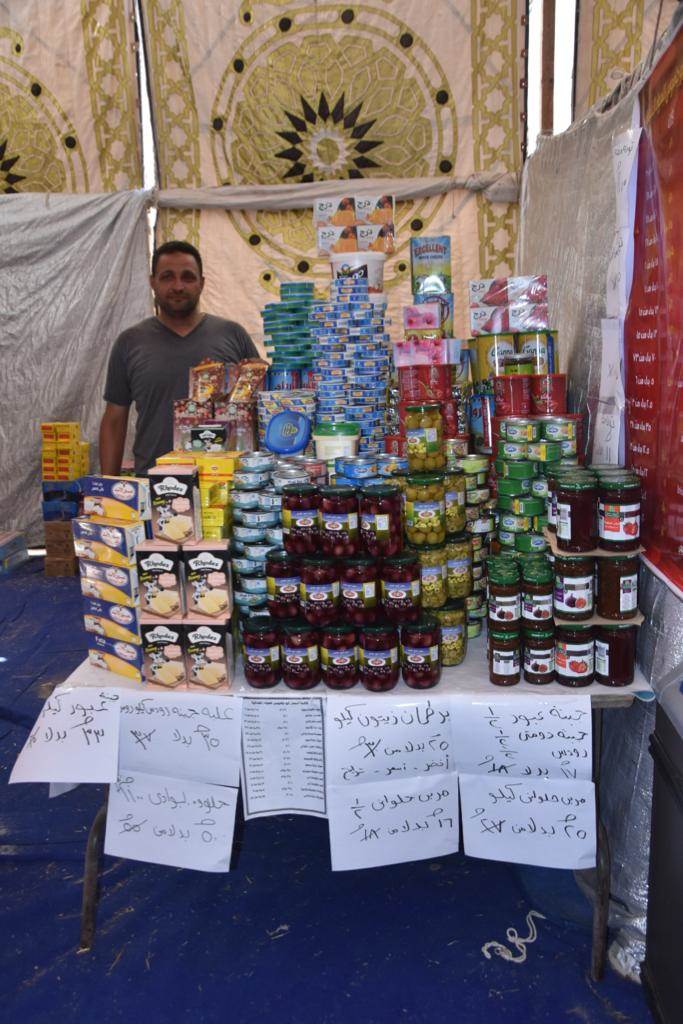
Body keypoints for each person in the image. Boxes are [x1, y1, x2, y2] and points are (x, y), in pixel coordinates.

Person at [99, 240, 259, 475]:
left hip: (225, 482)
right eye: (167, 277)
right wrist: (108, 486)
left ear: (202, 283)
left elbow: (260, 410)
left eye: (187, 277)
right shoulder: (130, 342)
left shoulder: (233, 335)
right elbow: (114, 421)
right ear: (152, 282)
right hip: (153, 482)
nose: (178, 286)